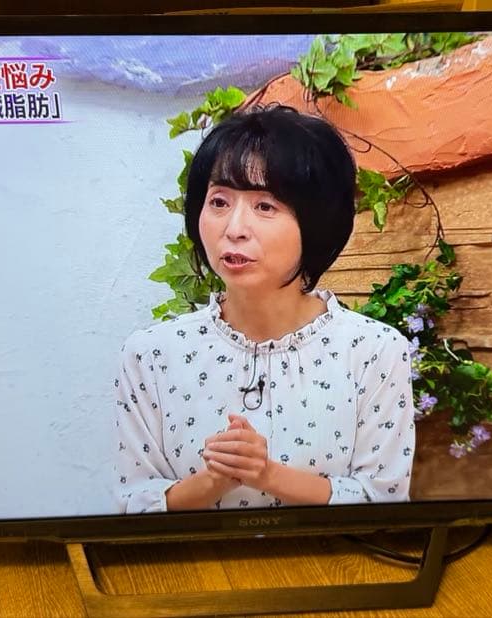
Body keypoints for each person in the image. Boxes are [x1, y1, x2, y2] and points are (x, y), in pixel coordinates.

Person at [114, 105, 415, 513]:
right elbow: (134, 505)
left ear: (317, 222)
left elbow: (383, 501)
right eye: (219, 202)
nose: (234, 229)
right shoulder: (151, 355)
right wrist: (214, 481)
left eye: (265, 207)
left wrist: (267, 474)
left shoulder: (373, 351)